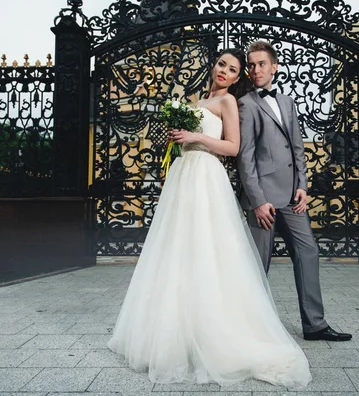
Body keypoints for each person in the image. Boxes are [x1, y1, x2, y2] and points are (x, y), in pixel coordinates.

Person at [107, 49, 311, 388]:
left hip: (206, 175)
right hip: (183, 175)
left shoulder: (230, 102)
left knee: (207, 248)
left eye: (232, 69)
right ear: (213, 66)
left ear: (236, 77)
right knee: (177, 251)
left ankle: (215, 330)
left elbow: (233, 146)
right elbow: (185, 141)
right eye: (221, 65)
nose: (225, 72)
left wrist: (196, 137)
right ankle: (178, 330)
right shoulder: (197, 100)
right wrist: (178, 142)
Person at [236, 41, 352, 342]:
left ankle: (314, 324)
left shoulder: (287, 102)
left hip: (292, 196)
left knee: (308, 250)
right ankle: (250, 329)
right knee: (258, 264)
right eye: (251, 65)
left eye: (261, 64)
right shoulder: (246, 104)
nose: (255, 69)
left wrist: (303, 185)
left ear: (274, 66)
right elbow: (245, 156)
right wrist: (258, 201)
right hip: (262, 200)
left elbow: (297, 147)